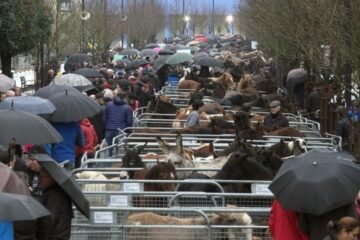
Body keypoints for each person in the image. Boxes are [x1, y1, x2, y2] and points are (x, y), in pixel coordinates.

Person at [36, 168, 73, 240]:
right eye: (39, 177)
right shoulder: (55, 193)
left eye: (42, 177)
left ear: (51, 178)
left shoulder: (55, 197)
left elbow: (49, 222)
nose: (39, 180)